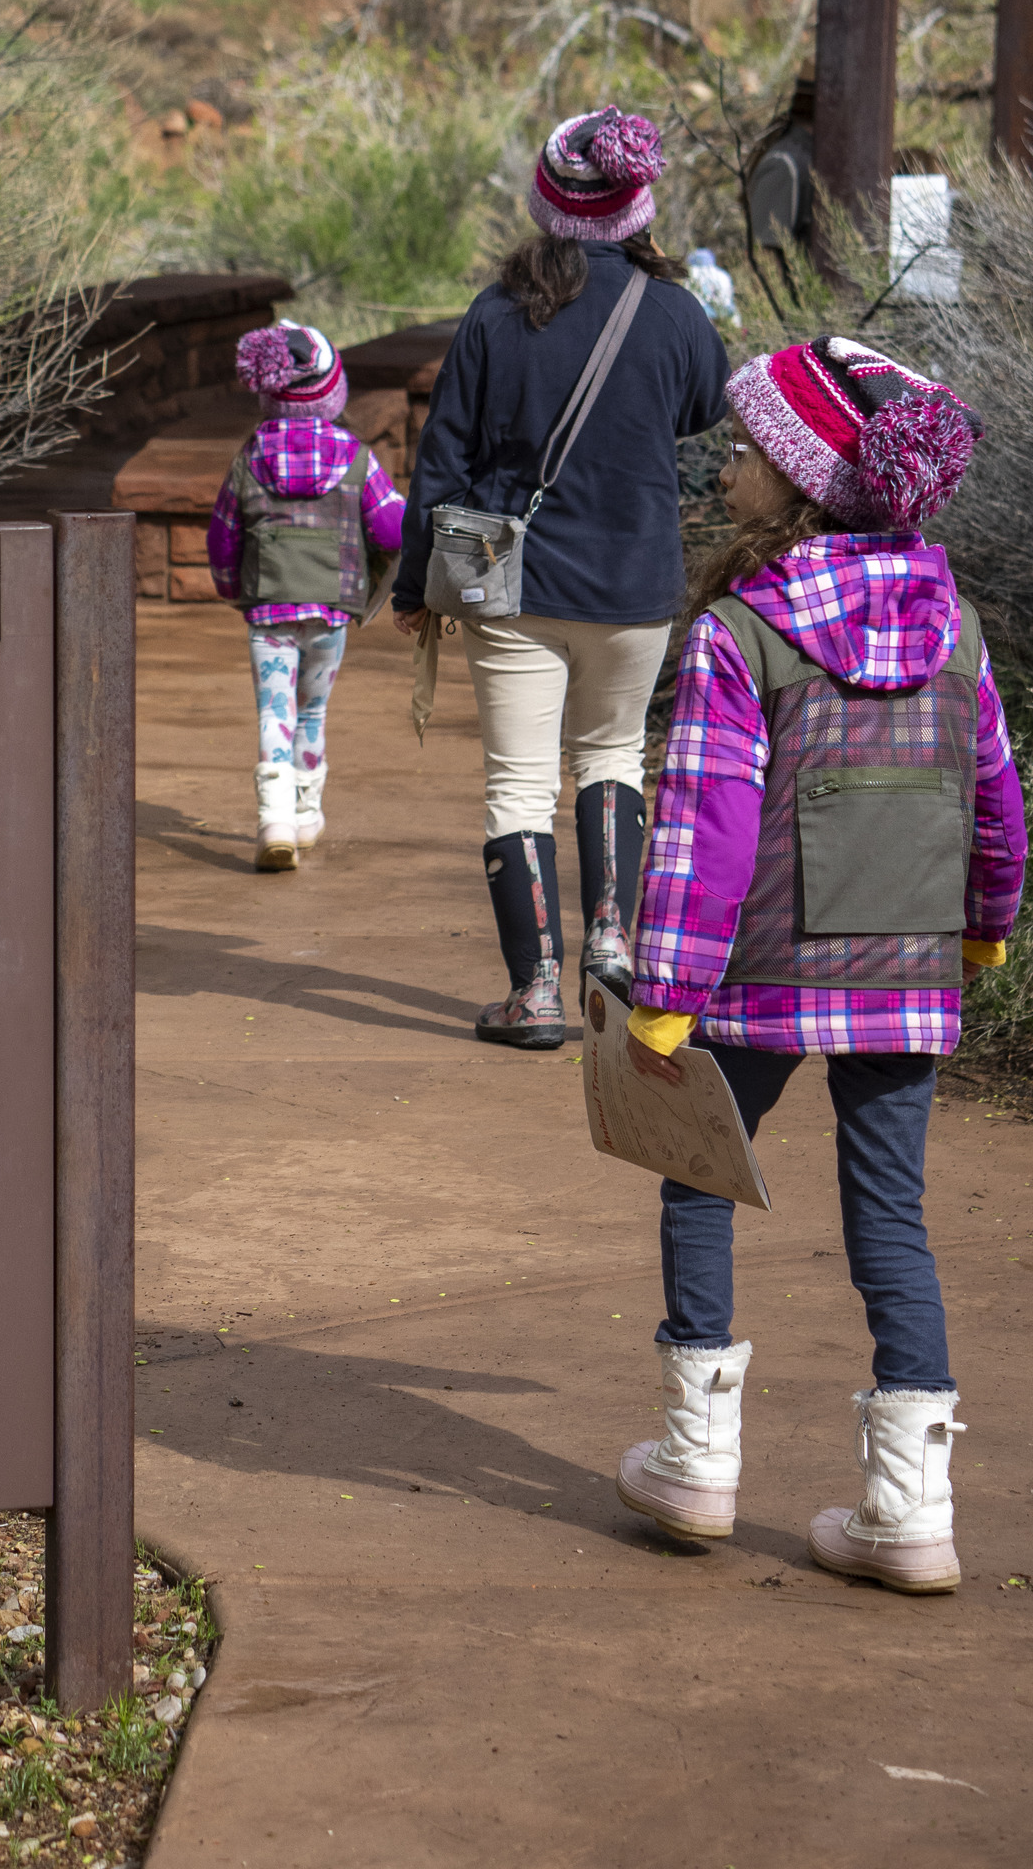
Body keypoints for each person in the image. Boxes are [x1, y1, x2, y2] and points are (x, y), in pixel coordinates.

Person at [617, 338, 1025, 1595]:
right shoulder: (954, 625)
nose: (730, 467)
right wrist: (986, 922)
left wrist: (664, 997)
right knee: (890, 1222)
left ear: (798, 486)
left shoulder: (742, 634)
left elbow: (704, 830)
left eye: (747, 452)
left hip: (758, 976)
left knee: (702, 1180)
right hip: (904, 972)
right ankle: (910, 1510)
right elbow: (998, 794)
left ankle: (696, 1460)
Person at [393, 107, 730, 1046]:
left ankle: (535, 993)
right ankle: (612, 950)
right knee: (615, 757)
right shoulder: (673, 312)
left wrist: (415, 587)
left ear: (548, 207)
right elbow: (708, 402)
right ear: (638, 207)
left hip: (514, 583)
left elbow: (443, 458)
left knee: (517, 784)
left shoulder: (498, 313)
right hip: (635, 582)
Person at [207, 321, 406, 870]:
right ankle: (306, 813)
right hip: (331, 611)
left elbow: (223, 535)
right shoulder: (354, 456)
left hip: (268, 612)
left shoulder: (250, 457)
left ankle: (273, 819)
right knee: (312, 711)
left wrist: (231, 589)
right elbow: (393, 530)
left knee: (276, 713)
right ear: (332, 391)